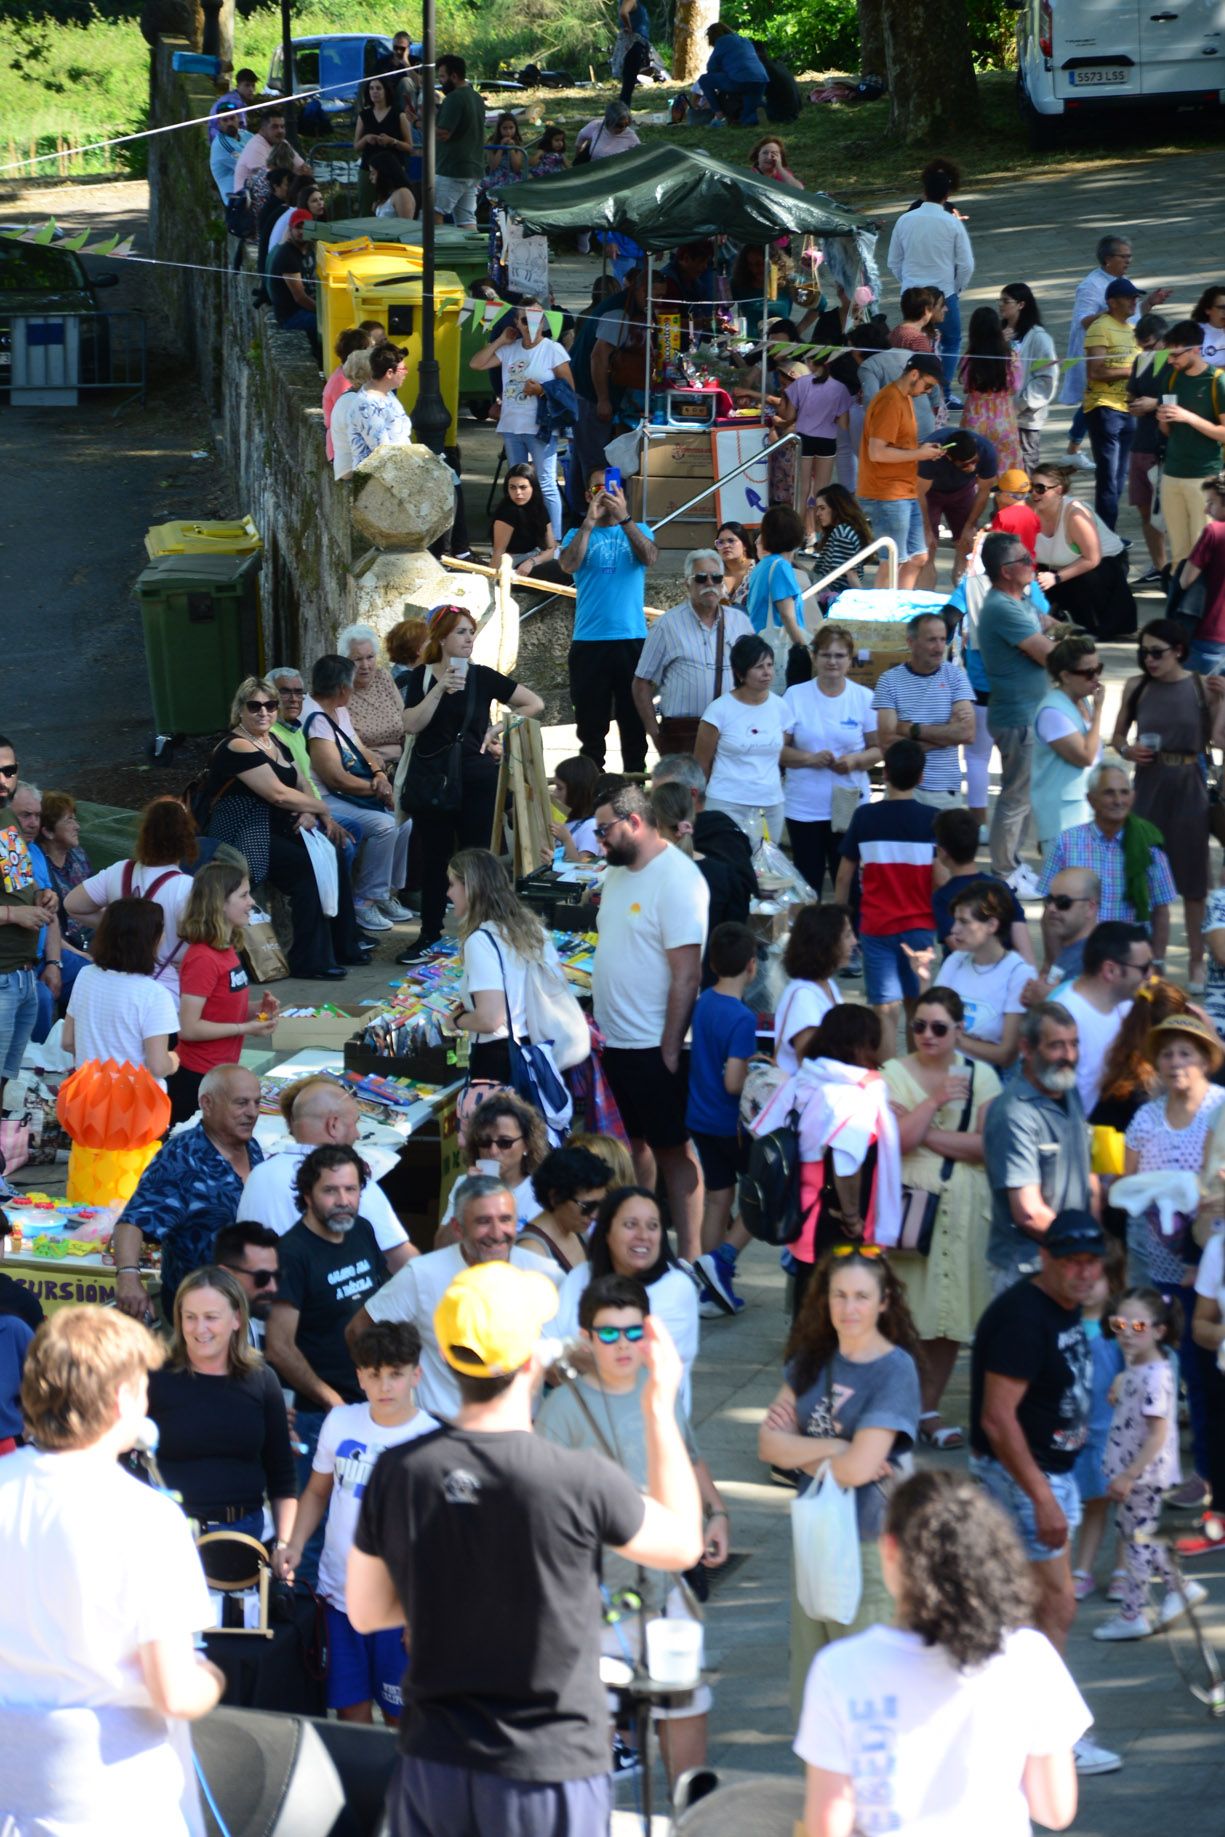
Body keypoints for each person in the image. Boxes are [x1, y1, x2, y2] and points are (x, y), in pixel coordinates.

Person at [347, 1259, 702, 1834]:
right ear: (531, 1354)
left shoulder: (399, 1470)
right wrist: (660, 1406)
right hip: (549, 1767)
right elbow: (682, 1542)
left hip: (434, 1759)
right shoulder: (578, 1478)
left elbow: (366, 1612)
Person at [0, 1308, 223, 1834]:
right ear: (122, 1397)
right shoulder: (145, 1516)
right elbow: (174, 1692)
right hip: (112, 1798)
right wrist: (209, 1678)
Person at [800, 1471, 1089, 1835]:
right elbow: (1055, 1809)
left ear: (890, 1550)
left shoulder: (839, 1668)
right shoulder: (1029, 1655)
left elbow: (827, 1826)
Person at [537, 1274, 727, 1783]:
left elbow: (689, 1457)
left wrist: (718, 1513)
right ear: (586, 1337)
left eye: (632, 1332)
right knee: (587, 1774)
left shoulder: (659, 1386)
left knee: (688, 1756)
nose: (623, 1345)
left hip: (667, 1597)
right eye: (608, 1334)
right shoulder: (559, 1413)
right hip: (596, 1610)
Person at [969, 1207, 1122, 1776]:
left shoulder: (1067, 1308)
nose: (1084, 1273)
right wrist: (1041, 1497)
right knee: (1055, 1604)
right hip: (1023, 1475)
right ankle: (1049, 1742)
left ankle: (1017, 1731)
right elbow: (997, 1419)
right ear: (1047, 1260)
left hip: (1046, 1472)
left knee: (1028, 1610)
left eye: (1092, 1262)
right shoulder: (1023, 1318)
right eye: (1072, 1262)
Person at [758, 1243, 920, 1710]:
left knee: (866, 1703)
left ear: (884, 1301)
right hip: (816, 1542)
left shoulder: (895, 1370)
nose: (849, 1308)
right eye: (839, 1295)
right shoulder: (813, 1358)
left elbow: (858, 1470)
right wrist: (838, 1448)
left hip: (872, 1549)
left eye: (862, 1297)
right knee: (816, 1702)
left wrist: (808, 1454)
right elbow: (768, 1444)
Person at [275, 1320, 437, 1726]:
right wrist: (295, 1542)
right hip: (337, 1597)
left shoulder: (433, 1439)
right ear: (359, 1377)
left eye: (396, 1375)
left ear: (415, 1374)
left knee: (404, 1718)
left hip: (397, 1608)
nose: (385, 1386)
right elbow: (316, 1492)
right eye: (375, 1375)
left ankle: (404, 1792)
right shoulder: (340, 1422)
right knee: (350, 1711)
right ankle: (362, 1791)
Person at [592, 782, 709, 1263]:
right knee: (634, 1144)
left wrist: (668, 1047)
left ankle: (693, 1259)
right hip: (616, 1041)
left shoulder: (678, 880)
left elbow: (687, 974)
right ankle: (642, 1249)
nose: (599, 841)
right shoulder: (618, 872)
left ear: (635, 822)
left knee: (674, 1151)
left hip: (655, 1044)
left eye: (604, 830)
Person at [883, 984, 998, 1444]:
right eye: (918, 1026)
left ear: (958, 1030)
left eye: (938, 1028)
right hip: (912, 1206)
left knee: (951, 1317)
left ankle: (927, 1410)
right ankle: (895, 1411)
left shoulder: (982, 1075)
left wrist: (921, 1129)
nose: (927, 1036)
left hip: (968, 1207)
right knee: (905, 1314)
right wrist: (933, 1104)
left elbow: (988, 1147)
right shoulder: (893, 1071)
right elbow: (895, 1141)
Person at [396, 605, 542, 962]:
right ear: (442, 638)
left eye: (471, 632)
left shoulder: (482, 676)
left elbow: (533, 703)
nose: (469, 639)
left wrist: (497, 727)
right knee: (435, 860)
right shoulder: (422, 678)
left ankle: (479, 935)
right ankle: (429, 934)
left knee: (477, 859)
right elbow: (411, 724)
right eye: (461, 632)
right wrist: (439, 689)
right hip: (434, 779)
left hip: (477, 777)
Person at [352, 1176, 559, 1419]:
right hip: (440, 1431)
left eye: (505, 1220)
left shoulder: (546, 1273)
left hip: (519, 1432)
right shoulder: (422, 1274)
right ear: (458, 1228)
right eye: (483, 1221)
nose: (496, 1233)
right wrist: (389, 1395)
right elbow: (359, 1328)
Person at [203, 674, 359, 978]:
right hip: (244, 834)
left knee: (334, 849)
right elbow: (277, 793)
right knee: (306, 867)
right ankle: (309, 960)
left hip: (277, 827)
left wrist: (316, 815)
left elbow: (300, 782)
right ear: (240, 710)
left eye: (270, 705)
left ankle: (344, 945)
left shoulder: (272, 740)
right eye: (255, 706)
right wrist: (322, 807)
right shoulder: (237, 746)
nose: (264, 712)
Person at [264, 1145, 391, 1481]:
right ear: (307, 1195)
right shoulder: (291, 1254)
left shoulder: (362, 1230)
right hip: (317, 1416)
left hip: (370, 1402)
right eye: (330, 1190)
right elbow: (279, 1347)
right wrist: (331, 1401)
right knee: (317, 1524)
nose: (343, 1200)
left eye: (351, 1189)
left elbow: (383, 1304)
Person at [146, 1265, 296, 1545]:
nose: (199, 1328)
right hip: (167, 1532)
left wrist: (285, 1544)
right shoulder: (155, 1377)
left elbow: (282, 1474)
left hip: (243, 1535)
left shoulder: (263, 1380)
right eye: (190, 1317)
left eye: (211, 1317)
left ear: (237, 1318)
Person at [1112, 619, 1220, 989]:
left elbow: (1219, 739)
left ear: (1179, 651)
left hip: (1189, 784)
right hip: (1148, 784)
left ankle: (1195, 960)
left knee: (1193, 881)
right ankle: (1146, 959)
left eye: (1157, 652)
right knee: (1141, 874)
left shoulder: (1199, 687)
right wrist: (1129, 750)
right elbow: (1117, 736)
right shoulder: (1137, 686)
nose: (1149, 659)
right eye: (1144, 652)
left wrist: (1222, 701)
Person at [112, 1063, 265, 1316]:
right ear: (207, 1103)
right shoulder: (181, 1159)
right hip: (200, 1306)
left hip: (246, 1300)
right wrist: (128, 1277)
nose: (252, 1113)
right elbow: (133, 1220)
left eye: (256, 1103)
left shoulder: (251, 1146)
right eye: (241, 1103)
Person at [237, 1076, 415, 1272]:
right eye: (355, 1123)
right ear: (333, 1125)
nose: (357, 1134)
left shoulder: (258, 1175)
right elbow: (407, 1266)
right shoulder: (349, 1184)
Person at [1092, 1289, 1189, 1641]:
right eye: (1119, 1324)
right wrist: (1121, 1382)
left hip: (1143, 1474)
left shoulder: (1155, 1376)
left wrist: (1129, 1476)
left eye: (1137, 1325)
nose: (1127, 1332)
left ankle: (1132, 1613)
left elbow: (1157, 1434)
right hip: (1134, 1471)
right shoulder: (1138, 1366)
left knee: (1136, 1541)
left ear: (1159, 1331)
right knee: (1141, 1536)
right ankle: (1181, 1590)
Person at [834, 739, 937, 1060]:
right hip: (920, 926)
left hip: (876, 926)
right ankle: (917, 1081)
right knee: (916, 1010)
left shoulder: (865, 817)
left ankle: (891, 1086)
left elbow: (843, 876)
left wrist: (843, 919)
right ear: (922, 777)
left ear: (886, 774)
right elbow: (940, 877)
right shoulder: (933, 819)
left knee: (884, 1011)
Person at [553, 1185, 701, 1408]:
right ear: (607, 1232)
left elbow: (631, 1369)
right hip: (579, 1420)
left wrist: (568, 1354)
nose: (643, 1236)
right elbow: (544, 1353)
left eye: (653, 1226)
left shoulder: (677, 1288)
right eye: (631, 1225)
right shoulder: (580, 1276)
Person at [444, 845, 572, 1103]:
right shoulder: (534, 930)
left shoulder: (480, 941)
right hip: (538, 1051)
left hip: (498, 1060)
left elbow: (491, 1019)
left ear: (470, 888)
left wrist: (456, 1020)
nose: (449, 893)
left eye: (452, 885)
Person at [983, 1005, 1094, 1292]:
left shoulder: (1068, 1090)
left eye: (1073, 1044)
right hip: (1026, 1271)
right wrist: (1086, 1247)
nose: (1068, 1056)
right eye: (1057, 1045)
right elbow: (1029, 1213)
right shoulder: (1014, 1112)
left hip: (1068, 1259)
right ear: (1026, 1049)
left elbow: (1087, 1177)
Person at [559, 466, 658, 774]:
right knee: (590, 725)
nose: (602, 493)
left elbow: (650, 557)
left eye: (609, 487)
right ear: (588, 495)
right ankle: (590, 792)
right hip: (589, 642)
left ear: (621, 492)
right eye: (595, 489)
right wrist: (588, 523)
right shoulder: (577, 534)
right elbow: (567, 564)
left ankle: (635, 786)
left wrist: (625, 518)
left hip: (631, 639)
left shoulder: (639, 528)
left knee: (633, 723)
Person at [305, 652, 412, 935]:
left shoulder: (338, 710)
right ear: (342, 689)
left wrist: (379, 776)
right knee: (386, 825)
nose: (354, 690)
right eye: (351, 685)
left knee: (405, 820)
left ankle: (387, 892)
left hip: (351, 792)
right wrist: (376, 791)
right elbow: (335, 778)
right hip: (326, 797)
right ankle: (364, 900)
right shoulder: (315, 717)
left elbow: (359, 747)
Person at [974, 530, 1056, 893]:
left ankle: (1014, 863)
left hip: (1028, 714)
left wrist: (1049, 640)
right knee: (1015, 796)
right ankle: (1004, 871)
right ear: (1006, 571)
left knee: (1024, 796)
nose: (1031, 564)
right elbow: (1051, 653)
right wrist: (1049, 646)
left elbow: (1053, 631)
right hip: (1017, 718)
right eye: (1024, 560)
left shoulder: (1020, 602)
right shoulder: (1003, 608)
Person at [1123, 1013, 1225, 1301]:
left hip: (1215, 1253)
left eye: (1185, 1053)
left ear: (1205, 1062)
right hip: (1155, 1259)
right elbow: (1128, 1182)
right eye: (1167, 1055)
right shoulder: (1146, 1116)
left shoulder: (1222, 1107)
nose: (1175, 1062)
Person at [167, 861, 278, 1124]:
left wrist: (258, 1012)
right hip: (196, 1079)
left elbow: (221, 1009)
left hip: (219, 1073)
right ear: (219, 903)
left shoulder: (226, 947)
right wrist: (246, 1028)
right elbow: (189, 1028)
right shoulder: (203, 958)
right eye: (243, 895)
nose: (251, 902)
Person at [686, 921, 758, 1316]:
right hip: (730, 1124)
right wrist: (756, 1069)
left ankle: (709, 1285)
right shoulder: (742, 1018)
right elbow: (734, 1082)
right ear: (752, 966)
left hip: (699, 1117)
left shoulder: (704, 1003)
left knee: (718, 1198)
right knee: (763, 1194)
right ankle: (723, 1262)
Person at [1037, 765, 1177, 959]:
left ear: (1132, 797)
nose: (1118, 801)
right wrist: (1054, 965)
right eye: (1109, 793)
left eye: (1124, 793)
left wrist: (1158, 963)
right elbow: (1049, 912)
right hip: (1080, 953)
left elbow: (1161, 911)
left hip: (1130, 955)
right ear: (1091, 800)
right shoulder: (1066, 843)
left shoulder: (1149, 845)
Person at [781, 625, 879, 898]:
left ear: (850, 659)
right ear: (814, 657)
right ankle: (807, 939)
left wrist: (855, 761)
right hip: (804, 806)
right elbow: (778, 750)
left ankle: (850, 937)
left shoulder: (864, 698)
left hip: (849, 805)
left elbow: (879, 749)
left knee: (848, 883)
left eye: (839, 655)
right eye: (826, 655)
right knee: (806, 880)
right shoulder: (795, 696)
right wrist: (809, 758)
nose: (832, 662)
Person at [1057, 232, 1170, 469]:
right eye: (1124, 257)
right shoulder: (1090, 286)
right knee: (1097, 402)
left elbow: (1135, 319)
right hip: (1102, 353)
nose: (1128, 261)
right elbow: (1083, 320)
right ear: (1108, 259)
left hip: (1127, 349)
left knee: (1104, 402)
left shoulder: (1122, 281)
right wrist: (1113, 310)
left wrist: (1149, 303)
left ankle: (1078, 449)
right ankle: (1084, 450)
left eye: (1130, 257)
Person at [66, 797, 196, 997]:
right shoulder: (189, 888)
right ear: (186, 838)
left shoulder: (120, 871)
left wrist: (117, 927)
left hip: (116, 983)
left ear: (144, 833)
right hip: (166, 988)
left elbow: (72, 904)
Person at [469, 302, 573, 542]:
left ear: (545, 322)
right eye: (525, 320)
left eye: (537, 319)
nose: (531, 325)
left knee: (545, 482)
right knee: (517, 485)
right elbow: (476, 364)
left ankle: (554, 540)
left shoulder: (553, 349)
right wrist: (501, 341)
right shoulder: (510, 348)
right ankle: (524, 535)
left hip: (541, 427)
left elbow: (569, 388)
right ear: (516, 323)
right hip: (511, 425)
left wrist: (542, 390)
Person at [632, 550, 753, 757]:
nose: (709, 583)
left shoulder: (740, 622)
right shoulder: (665, 626)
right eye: (700, 578)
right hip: (682, 735)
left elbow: (755, 676)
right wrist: (656, 735)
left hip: (732, 733)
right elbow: (641, 684)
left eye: (715, 577)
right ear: (687, 584)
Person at [909, 880, 1031, 1069]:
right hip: (946, 1069)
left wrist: (952, 1036)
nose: (953, 929)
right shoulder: (956, 960)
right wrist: (924, 981)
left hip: (991, 1081)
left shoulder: (1018, 974)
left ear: (991, 925)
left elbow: (1006, 1054)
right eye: (955, 920)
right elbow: (931, 1021)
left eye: (964, 922)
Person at [62, 898, 178, 1085]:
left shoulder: (85, 975)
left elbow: (68, 1041)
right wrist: (172, 1061)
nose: (164, 935)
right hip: (133, 1105)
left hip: (86, 1097)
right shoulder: (155, 994)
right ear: (151, 938)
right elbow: (157, 1066)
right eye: (161, 929)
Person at [857, 353, 945, 590]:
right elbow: (877, 452)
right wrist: (920, 454)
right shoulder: (890, 401)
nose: (927, 391)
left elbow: (899, 446)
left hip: (905, 490)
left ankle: (899, 611)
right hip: (886, 492)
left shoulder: (905, 397)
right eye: (927, 385)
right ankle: (879, 616)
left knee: (918, 557)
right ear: (914, 374)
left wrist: (922, 450)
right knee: (893, 561)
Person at [0, 734, 56, 1104]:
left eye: (9, 770)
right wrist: (12, 914)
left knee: (6, 1083)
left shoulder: (5, 816)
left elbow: (18, 879)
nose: (3, 780)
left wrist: (40, 896)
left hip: (22, 975)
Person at [886, 159, 972, 393]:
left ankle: (913, 386)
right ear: (948, 194)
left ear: (924, 191)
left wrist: (907, 282)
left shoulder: (905, 220)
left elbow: (893, 261)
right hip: (945, 291)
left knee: (912, 340)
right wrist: (956, 289)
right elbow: (966, 265)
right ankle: (943, 390)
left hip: (912, 292)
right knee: (951, 339)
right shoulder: (952, 223)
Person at [871, 614, 974, 809]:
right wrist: (945, 736)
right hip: (902, 790)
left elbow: (967, 733)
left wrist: (911, 730)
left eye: (943, 639)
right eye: (931, 640)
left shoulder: (956, 678)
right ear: (911, 642)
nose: (939, 647)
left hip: (944, 791)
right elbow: (887, 742)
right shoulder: (889, 681)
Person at [1051, 920, 1152, 1115]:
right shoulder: (1063, 1017)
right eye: (1144, 967)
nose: (1149, 975)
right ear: (1110, 970)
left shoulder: (1128, 1007)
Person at [693, 633, 787, 842]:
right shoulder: (718, 710)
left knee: (766, 870)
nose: (767, 673)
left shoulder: (781, 707)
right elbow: (701, 764)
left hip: (770, 803)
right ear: (740, 673)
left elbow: (783, 753)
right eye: (758, 667)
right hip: (726, 803)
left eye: (770, 665)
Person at [1029, 461, 1136, 640]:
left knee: (1089, 576)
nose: (1033, 493)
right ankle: (1055, 615)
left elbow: (1092, 558)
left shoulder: (1075, 514)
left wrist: (1056, 578)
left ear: (1059, 490)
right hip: (1055, 566)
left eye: (1040, 488)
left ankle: (1098, 626)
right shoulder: (1028, 510)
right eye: (1031, 487)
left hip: (1104, 566)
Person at [1150, 320, 1225, 567]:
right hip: (1172, 474)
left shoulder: (1217, 382)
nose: (1170, 360)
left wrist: (1188, 417)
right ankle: (1179, 598)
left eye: (1175, 354)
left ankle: (1204, 603)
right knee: (1179, 554)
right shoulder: (1171, 379)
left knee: (1201, 550)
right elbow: (1167, 431)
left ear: (1196, 349)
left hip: (1204, 476)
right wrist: (1163, 420)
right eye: (1168, 354)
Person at [1031, 632, 1106, 856]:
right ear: (1065, 676)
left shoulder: (1081, 702)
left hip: (1084, 815)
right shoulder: (1053, 712)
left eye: (1098, 669)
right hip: (1064, 821)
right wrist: (1100, 711)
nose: (1096, 678)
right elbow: (1086, 756)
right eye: (1088, 672)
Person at [436, 1092, 548, 1238]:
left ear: (527, 1145)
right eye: (484, 1142)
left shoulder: (542, 1192)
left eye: (504, 1143)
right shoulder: (465, 1185)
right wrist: (467, 1200)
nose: (493, 1151)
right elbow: (441, 1246)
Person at [1082, 276, 1146, 531]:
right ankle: (1105, 535)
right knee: (1108, 476)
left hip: (1129, 410)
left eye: (1135, 297)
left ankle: (1107, 532)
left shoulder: (1133, 331)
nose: (1134, 301)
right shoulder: (1100, 327)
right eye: (1129, 297)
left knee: (1119, 476)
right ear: (1112, 302)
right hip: (1104, 408)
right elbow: (1095, 372)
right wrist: (1133, 370)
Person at [930, 809, 1032, 962]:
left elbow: (958, 948)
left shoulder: (942, 897)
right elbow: (1025, 951)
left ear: (941, 852)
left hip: (963, 981)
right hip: (1004, 974)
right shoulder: (1001, 888)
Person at [771, 359, 853, 546]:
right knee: (821, 491)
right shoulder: (840, 388)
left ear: (810, 363)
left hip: (804, 438)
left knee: (802, 490)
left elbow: (790, 416)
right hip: (827, 440)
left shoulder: (801, 383)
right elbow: (844, 424)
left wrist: (779, 422)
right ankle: (820, 535)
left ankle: (798, 535)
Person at [774, 904, 853, 1075]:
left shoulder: (827, 983)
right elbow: (809, 1066)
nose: (854, 941)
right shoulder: (804, 998)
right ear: (826, 943)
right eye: (847, 935)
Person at [915, 427, 998, 587]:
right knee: (927, 548)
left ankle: (962, 601)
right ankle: (927, 599)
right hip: (930, 494)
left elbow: (983, 491)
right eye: (965, 465)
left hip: (963, 491)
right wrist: (927, 529)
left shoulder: (986, 451)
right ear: (948, 457)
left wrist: (970, 525)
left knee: (966, 544)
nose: (972, 468)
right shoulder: (931, 454)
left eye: (974, 461)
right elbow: (919, 493)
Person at [1124, 310, 1172, 584]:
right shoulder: (1142, 360)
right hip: (1140, 444)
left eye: (1152, 346)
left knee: (1169, 511)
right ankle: (1159, 565)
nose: (1147, 351)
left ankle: (1178, 568)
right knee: (1145, 509)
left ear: (1165, 341)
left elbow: (1187, 400)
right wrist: (1133, 403)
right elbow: (1132, 392)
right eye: (1143, 347)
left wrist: (1154, 403)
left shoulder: (1177, 363)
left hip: (1165, 446)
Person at [998, 280, 1058, 475]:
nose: (1000, 305)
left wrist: (1019, 404)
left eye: (1006, 301)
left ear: (1021, 304)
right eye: (1000, 300)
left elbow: (1046, 380)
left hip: (1025, 418)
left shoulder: (1039, 338)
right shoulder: (999, 334)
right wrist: (997, 344)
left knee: (1025, 468)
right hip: (998, 415)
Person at [517, 1146, 608, 1274]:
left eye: (601, 1204)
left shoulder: (577, 1230)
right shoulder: (531, 1251)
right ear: (555, 1197)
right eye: (588, 1207)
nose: (595, 1215)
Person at [337, 622, 409, 769]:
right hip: (366, 769)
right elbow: (344, 745)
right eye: (357, 659)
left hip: (401, 766)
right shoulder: (339, 690)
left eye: (370, 657)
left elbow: (406, 724)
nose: (365, 665)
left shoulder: (383, 677)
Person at [433, 55, 485, 229]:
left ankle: (436, 255)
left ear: (454, 76)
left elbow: (443, 133)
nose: (440, 82)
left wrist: (420, 124)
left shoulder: (454, 98)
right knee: (466, 219)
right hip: (473, 169)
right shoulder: (476, 97)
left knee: (435, 213)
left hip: (452, 169)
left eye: (442, 76)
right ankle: (473, 255)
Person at [1182, 472, 1225, 675]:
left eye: (1211, 503)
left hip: (1210, 633)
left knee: (1197, 701)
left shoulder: (1214, 532)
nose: (1206, 509)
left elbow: (1185, 580)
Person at [214, 1219, 280, 1349]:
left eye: (277, 1277)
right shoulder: (209, 1340)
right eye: (262, 1277)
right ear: (226, 1274)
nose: (273, 1288)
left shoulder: (245, 1323)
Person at [488, 463, 560, 579]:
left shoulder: (539, 508)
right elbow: (498, 552)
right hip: (512, 565)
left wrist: (532, 561)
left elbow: (551, 548)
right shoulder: (507, 512)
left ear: (533, 487)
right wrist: (491, 582)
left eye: (523, 487)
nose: (518, 493)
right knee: (561, 569)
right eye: (512, 487)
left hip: (533, 559)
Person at [267, 209, 320, 361]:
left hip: (303, 309)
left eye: (305, 227)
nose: (301, 232)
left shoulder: (310, 250)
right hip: (291, 315)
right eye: (298, 227)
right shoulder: (287, 255)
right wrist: (323, 313)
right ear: (290, 229)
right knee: (323, 325)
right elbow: (300, 297)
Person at [349, 342, 413, 467]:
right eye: (403, 369)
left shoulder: (387, 394)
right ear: (389, 373)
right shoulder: (367, 405)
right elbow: (383, 452)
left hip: (398, 470)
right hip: (378, 481)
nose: (406, 372)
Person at [807, 486, 872, 605]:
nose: (817, 514)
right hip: (828, 590)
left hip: (830, 595)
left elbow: (849, 574)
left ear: (836, 508)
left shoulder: (842, 532)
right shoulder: (847, 529)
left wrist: (864, 604)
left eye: (822, 508)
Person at [697, 23, 768, 125]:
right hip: (761, 80)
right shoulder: (745, 40)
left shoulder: (722, 41)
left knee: (704, 80)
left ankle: (719, 114)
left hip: (740, 80)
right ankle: (758, 112)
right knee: (747, 116)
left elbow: (711, 67)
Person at [354, 74, 413, 179]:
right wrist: (366, 138)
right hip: (368, 169)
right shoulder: (364, 115)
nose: (374, 91)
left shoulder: (399, 114)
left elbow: (409, 147)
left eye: (378, 88)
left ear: (386, 91)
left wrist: (393, 141)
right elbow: (356, 146)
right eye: (371, 88)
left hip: (393, 169)